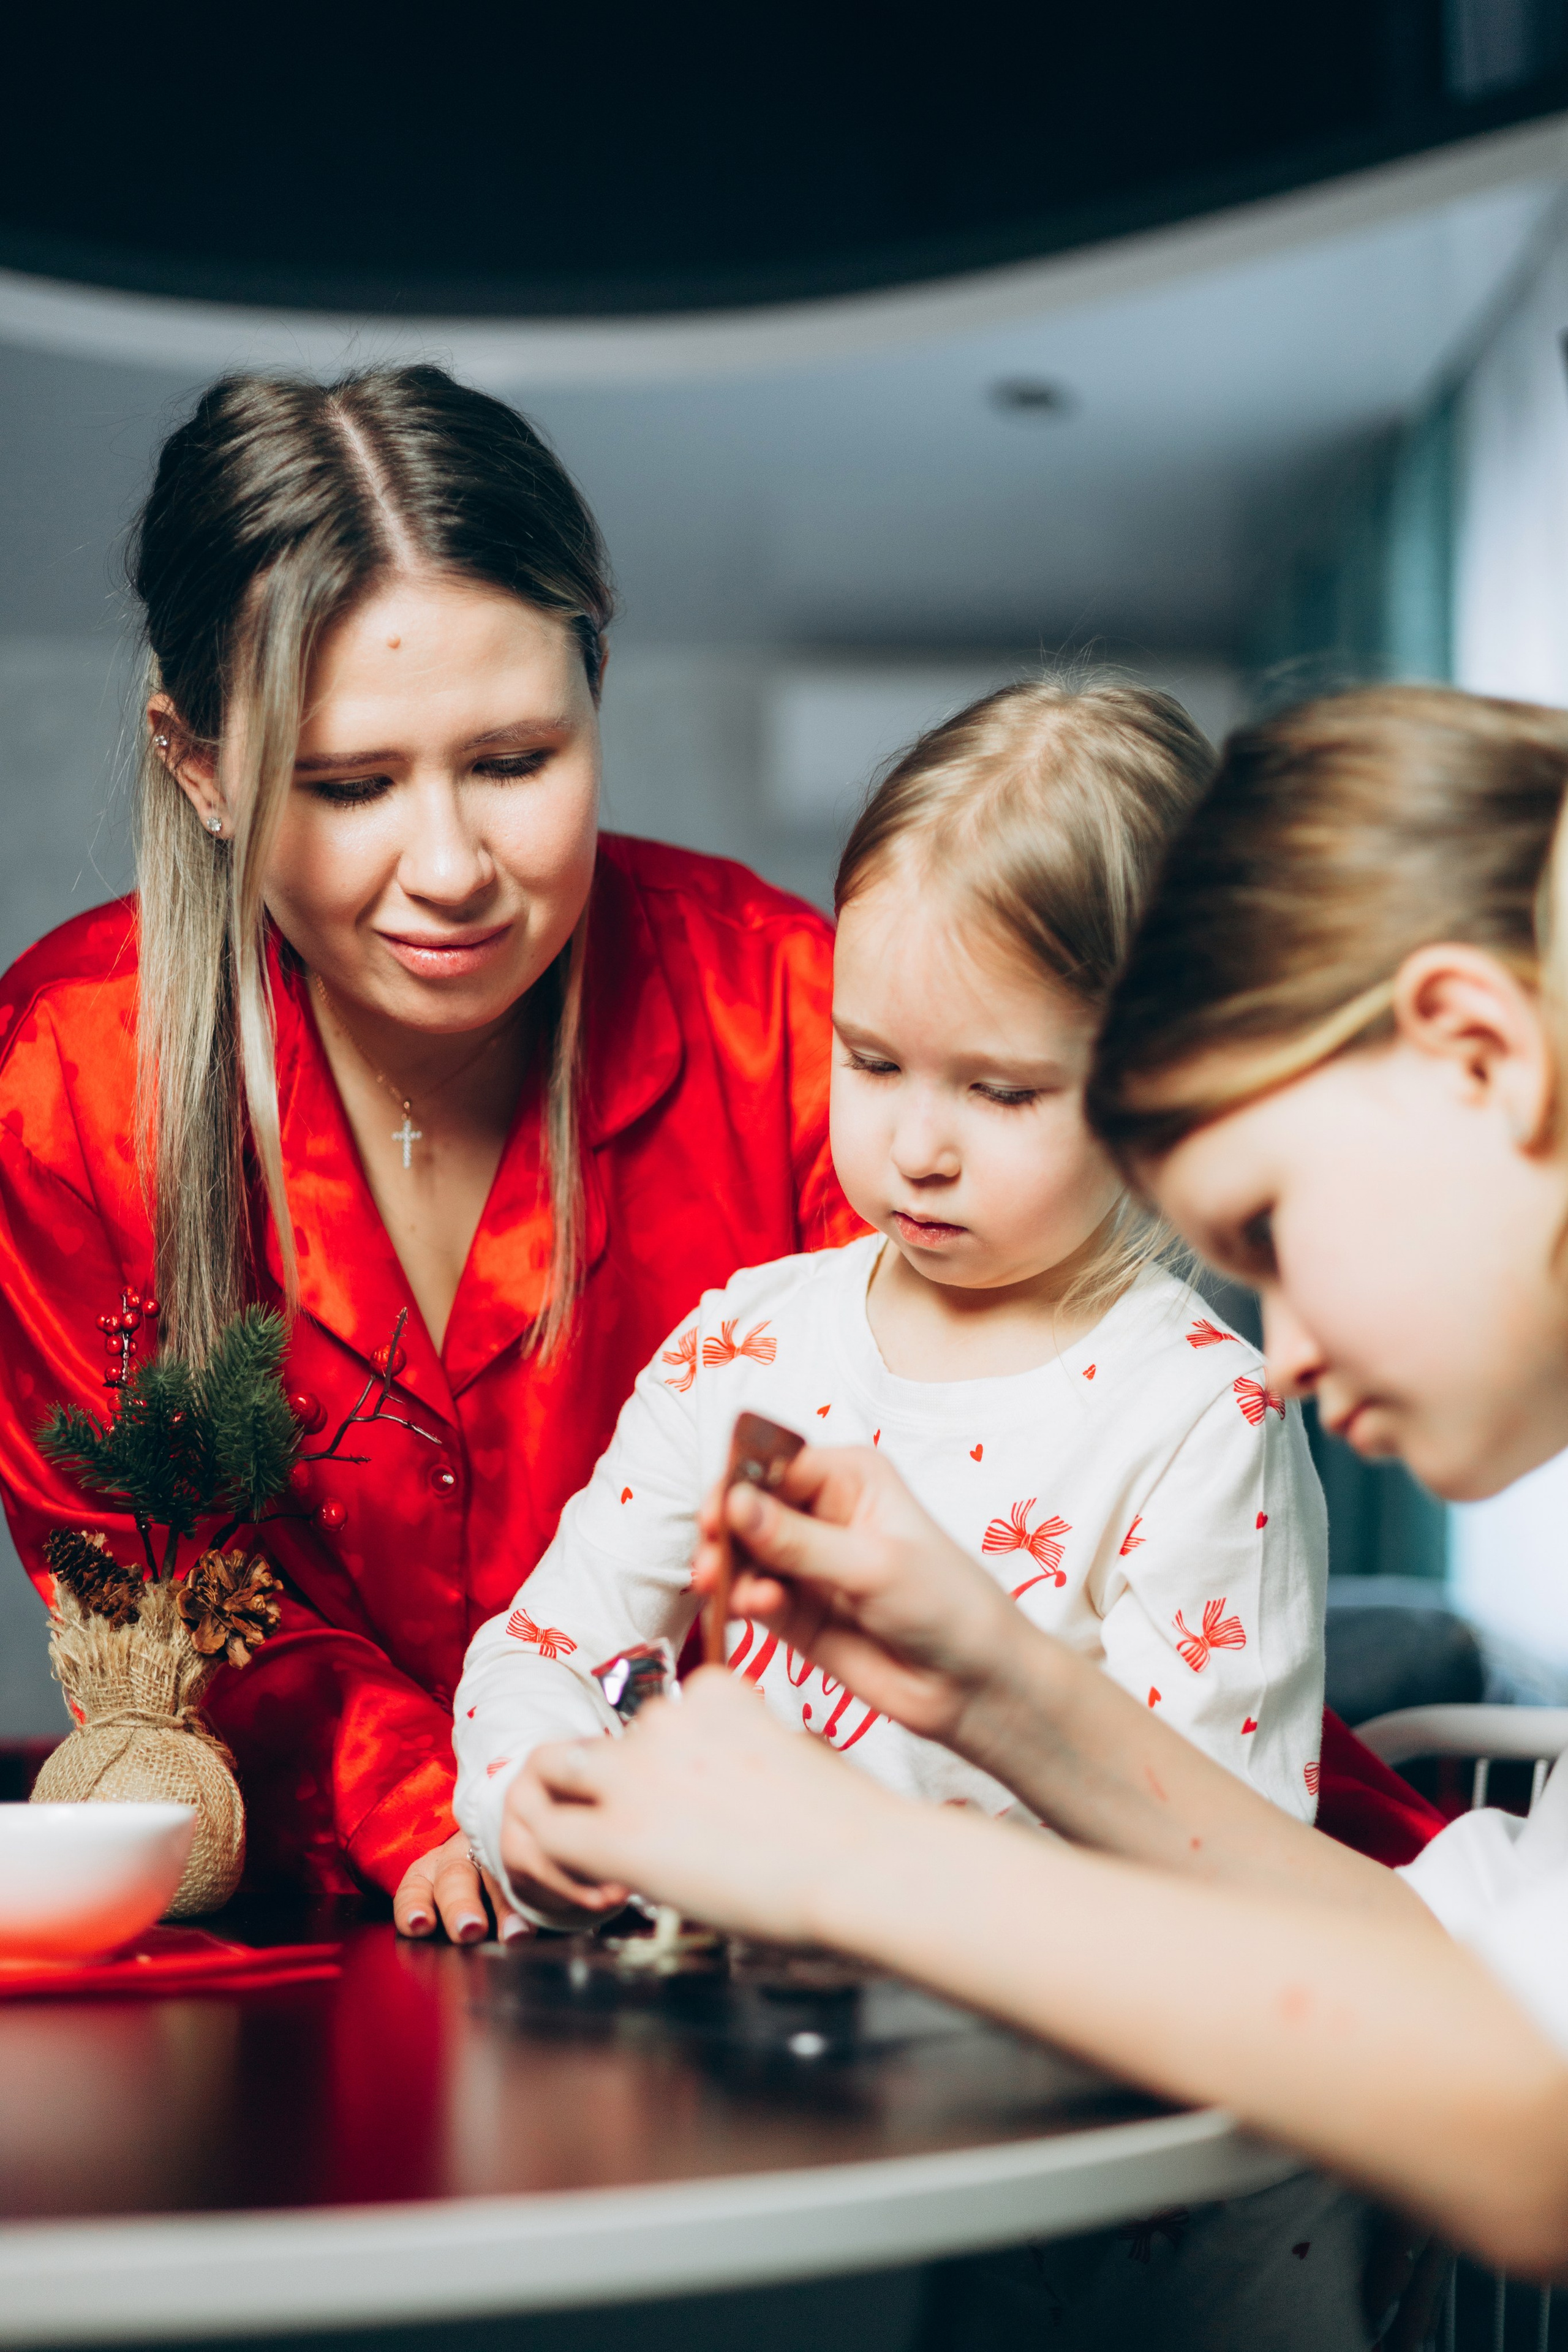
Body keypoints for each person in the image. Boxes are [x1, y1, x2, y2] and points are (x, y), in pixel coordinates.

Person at [508, 686, 1568, 2280]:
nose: (1273, 1354)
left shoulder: (1196, 1400)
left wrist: (846, 1864)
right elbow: (1461, 1974)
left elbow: (1535, 2120)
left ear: (1479, 1057)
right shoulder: (763, 1331)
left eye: (1274, 1226)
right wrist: (997, 1681)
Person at [0, 363, 856, 1932]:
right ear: (198, 766)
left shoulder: (792, 1012)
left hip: (770, 1907)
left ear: (600, 682)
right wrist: (443, 1803)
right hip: (310, 1961)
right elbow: (147, 1596)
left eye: (515, 762)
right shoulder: (64, 1077)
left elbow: (934, 1502)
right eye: (347, 787)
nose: (450, 868)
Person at [454, 680, 1329, 1930]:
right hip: (729, 2057)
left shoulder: (1199, 1418)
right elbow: (544, 1648)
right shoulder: (740, 1343)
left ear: (1163, 1080)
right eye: (868, 1061)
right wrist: (527, 1797)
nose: (916, 1145)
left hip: (1028, 2067)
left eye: (1000, 1090)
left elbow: (1225, 1867)